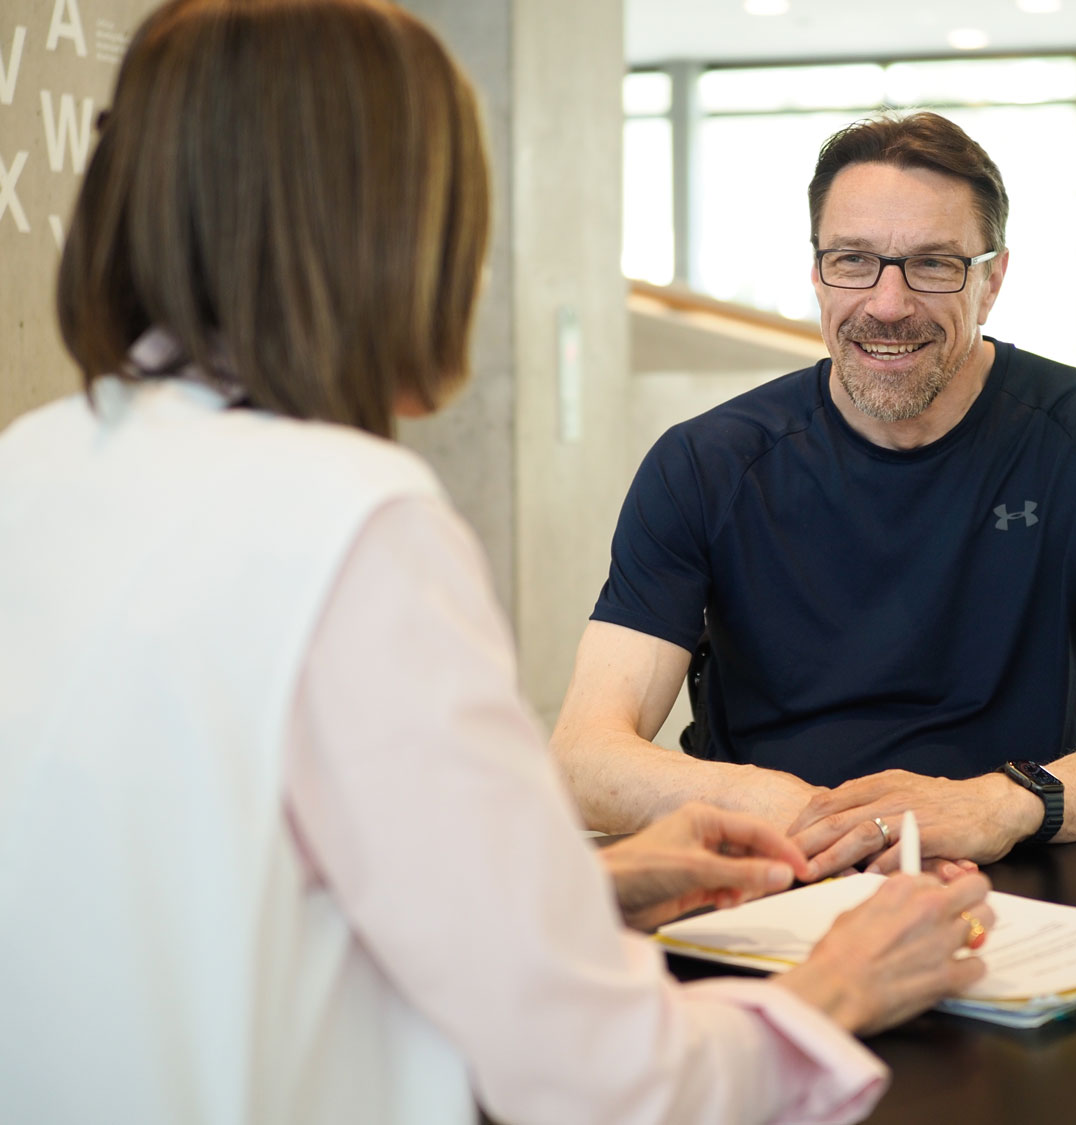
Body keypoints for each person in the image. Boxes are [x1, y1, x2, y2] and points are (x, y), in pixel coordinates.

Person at [0, 6, 996, 1124]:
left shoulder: (33, 468)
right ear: (396, 227)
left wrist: (584, 885)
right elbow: (595, 1077)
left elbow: (222, 882)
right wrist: (841, 985)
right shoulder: (356, 524)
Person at [553, 111, 1076, 881]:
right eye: (853, 260)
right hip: (765, 869)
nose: (888, 305)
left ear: (992, 279)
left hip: (1004, 872)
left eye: (933, 265)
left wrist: (993, 805)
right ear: (817, 269)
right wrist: (808, 816)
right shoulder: (704, 464)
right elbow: (584, 757)